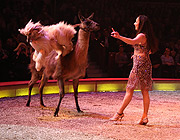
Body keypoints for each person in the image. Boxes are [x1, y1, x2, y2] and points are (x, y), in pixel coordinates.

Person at [110, 15, 158, 125]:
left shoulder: (141, 35)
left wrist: (119, 37)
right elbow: (145, 50)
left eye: (136, 22)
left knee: (129, 89)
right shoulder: (146, 36)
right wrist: (136, 55)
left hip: (139, 66)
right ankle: (144, 117)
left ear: (141, 24)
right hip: (144, 64)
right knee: (144, 91)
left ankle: (119, 113)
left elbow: (132, 41)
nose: (134, 23)